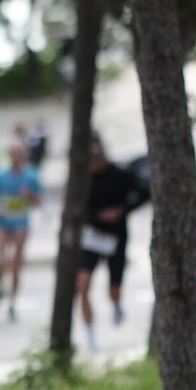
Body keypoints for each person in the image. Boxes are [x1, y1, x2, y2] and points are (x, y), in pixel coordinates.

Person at [75, 135, 149, 351]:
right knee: (83, 284)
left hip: (116, 237)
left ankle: (116, 304)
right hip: (92, 237)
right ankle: (90, 335)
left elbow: (144, 192)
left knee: (114, 286)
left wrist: (121, 211)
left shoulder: (121, 175)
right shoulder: (84, 180)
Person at [0, 141, 42, 322]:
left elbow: (38, 203)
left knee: (16, 264)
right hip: (2, 222)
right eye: (13, 152)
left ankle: (12, 301)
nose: (16, 156)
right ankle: (0, 289)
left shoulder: (31, 177)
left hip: (20, 222)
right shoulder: (0, 176)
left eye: (19, 152)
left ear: (24, 155)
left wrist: (30, 197)